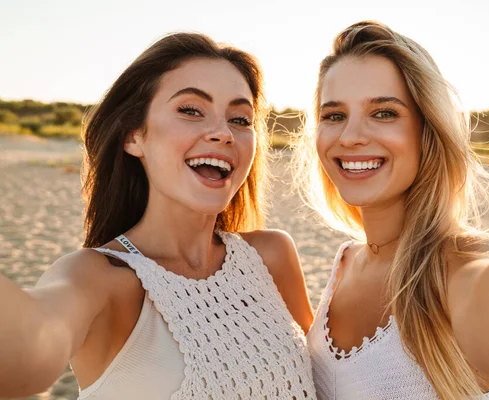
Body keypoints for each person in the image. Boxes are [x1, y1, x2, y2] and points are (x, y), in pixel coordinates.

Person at [294, 20, 489, 400]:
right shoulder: (344, 263)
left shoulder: (463, 261)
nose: (351, 136)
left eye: (384, 113)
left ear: (427, 132)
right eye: (334, 115)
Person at [0, 32, 316, 399]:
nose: (222, 132)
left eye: (240, 119)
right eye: (191, 110)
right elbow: (29, 347)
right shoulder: (99, 278)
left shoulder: (271, 255)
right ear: (134, 136)